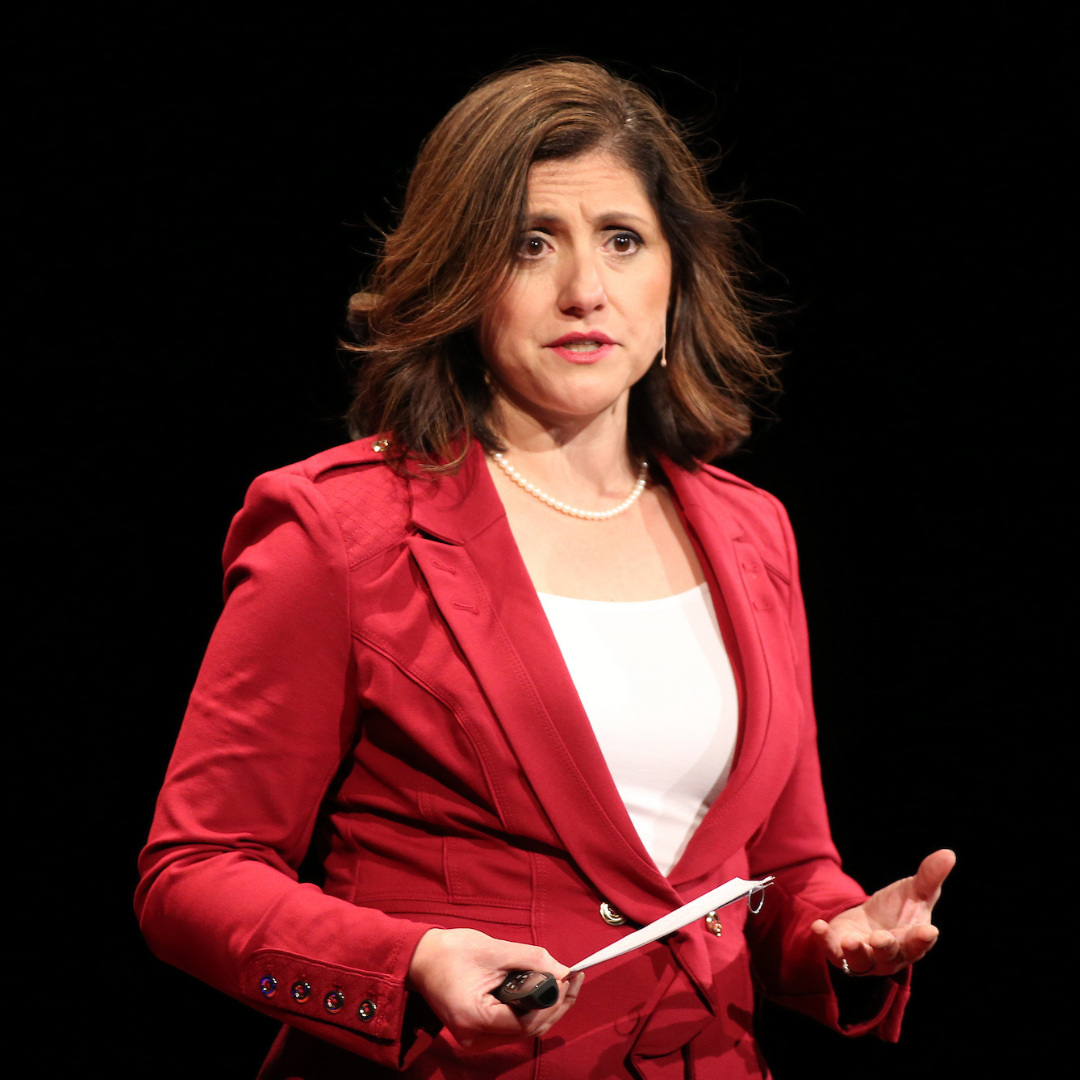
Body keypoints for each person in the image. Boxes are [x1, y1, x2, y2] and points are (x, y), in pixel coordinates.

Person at [136, 59, 954, 1079]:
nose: (585, 289)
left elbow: (784, 870)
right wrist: (409, 963)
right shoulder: (339, 531)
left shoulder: (754, 533)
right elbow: (190, 878)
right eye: (532, 244)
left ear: (674, 276)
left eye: (622, 239)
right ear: (462, 276)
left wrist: (841, 934)